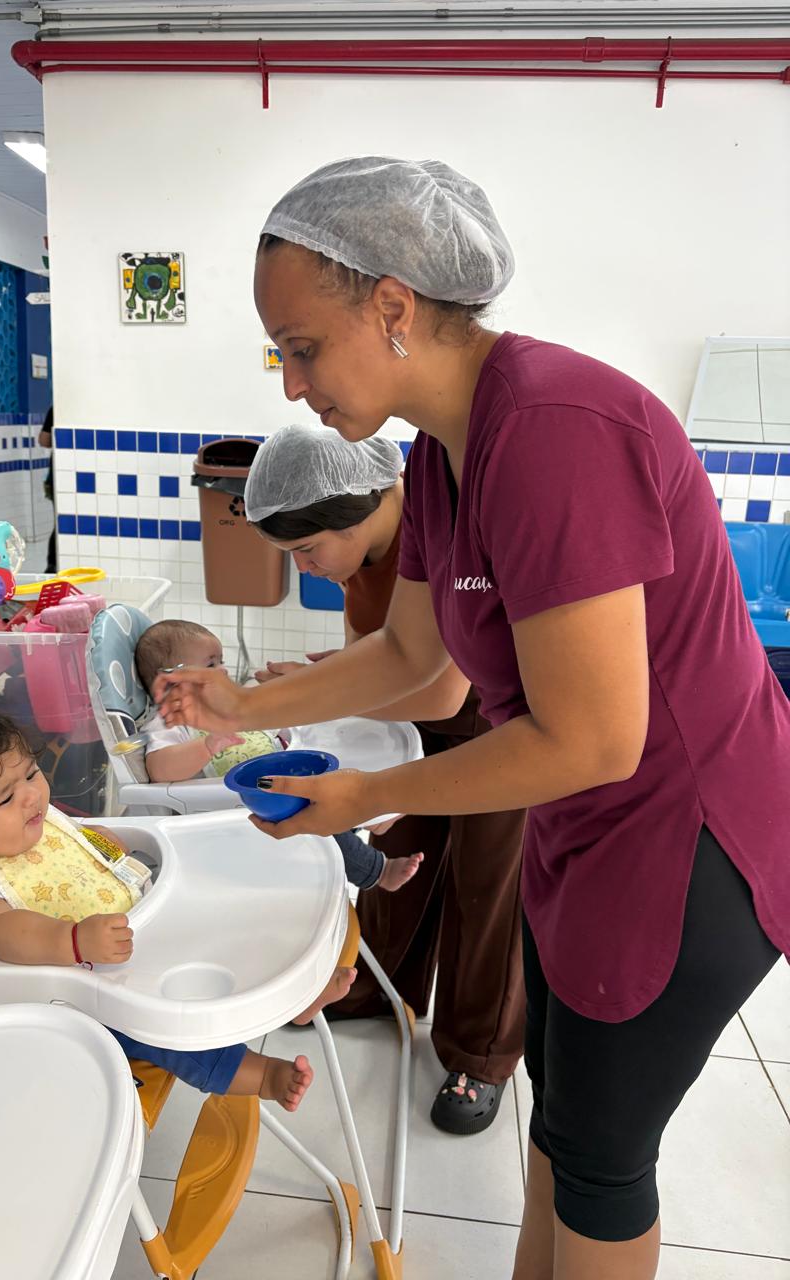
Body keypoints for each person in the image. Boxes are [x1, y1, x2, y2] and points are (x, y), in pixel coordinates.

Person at [154, 158, 790, 1280]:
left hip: (682, 846)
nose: (293, 386)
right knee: (559, 1134)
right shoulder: (446, 453)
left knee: (601, 1164)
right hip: (587, 830)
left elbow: (594, 737)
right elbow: (416, 660)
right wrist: (244, 705)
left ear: (392, 305)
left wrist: (365, 795)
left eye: (302, 346)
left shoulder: (553, 430)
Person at [245, 424, 527, 1135]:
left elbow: (443, 694)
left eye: (307, 549)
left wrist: (302, 695)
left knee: (487, 886)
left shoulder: (438, 535)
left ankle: (480, 1054)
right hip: (420, 728)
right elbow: (367, 654)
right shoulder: (360, 555)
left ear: (357, 511)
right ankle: (378, 988)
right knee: (399, 857)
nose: (304, 567)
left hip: (500, 723)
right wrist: (320, 679)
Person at [0, 701, 358, 1112]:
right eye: (7, 797)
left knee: (222, 929)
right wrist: (71, 940)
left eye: (30, 773)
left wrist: (111, 849)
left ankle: (297, 1000)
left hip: (136, 937)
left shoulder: (36, 820)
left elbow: (88, 844)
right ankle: (260, 1075)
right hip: (78, 998)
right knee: (171, 1029)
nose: (32, 795)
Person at [134, 617, 423, 894]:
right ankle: (377, 871)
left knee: (338, 786)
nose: (222, 671)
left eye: (221, 661)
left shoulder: (225, 704)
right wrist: (207, 745)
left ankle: (370, 816)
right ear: (172, 680)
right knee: (316, 816)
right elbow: (160, 769)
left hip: (285, 769)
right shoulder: (169, 721)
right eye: (211, 665)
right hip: (254, 798)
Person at [38, 406, 57, 575]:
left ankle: (53, 565)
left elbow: (43, 440)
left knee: (60, 522)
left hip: (58, 476)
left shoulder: (57, 407)